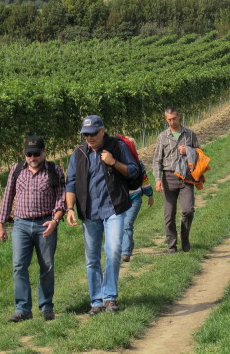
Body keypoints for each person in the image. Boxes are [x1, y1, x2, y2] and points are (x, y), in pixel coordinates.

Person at [65, 115, 138, 315]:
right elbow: (70, 182)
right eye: (85, 134)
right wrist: (70, 208)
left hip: (114, 209)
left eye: (93, 133)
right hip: (89, 212)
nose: (89, 137)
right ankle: (96, 301)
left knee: (114, 250)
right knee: (92, 258)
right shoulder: (79, 153)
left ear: (103, 130)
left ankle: (110, 298)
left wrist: (113, 162)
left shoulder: (118, 146)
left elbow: (134, 171)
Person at [0, 135, 66, 323]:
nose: (32, 158)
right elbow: (7, 196)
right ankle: (22, 309)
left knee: (47, 266)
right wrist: (1, 223)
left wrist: (55, 220)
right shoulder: (16, 170)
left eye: (36, 154)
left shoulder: (54, 170)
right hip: (21, 224)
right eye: (29, 154)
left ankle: (46, 307)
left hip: (45, 223)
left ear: (44, 152)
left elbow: (61, 198)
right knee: (19, 265)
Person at [152, 107, 200, 253]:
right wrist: (157, 179)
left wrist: (189, 151)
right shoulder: (162, 137)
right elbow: (156, 160)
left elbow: (199, 153)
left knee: (188, 210)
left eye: (174, 118)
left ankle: (185, 238)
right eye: (169, 119)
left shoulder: (190, 134)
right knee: (169, 214)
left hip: (186, 177)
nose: (172, 122)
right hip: (169, 177)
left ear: (179, 116)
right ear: (166, 119)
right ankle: (171, 245)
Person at [121, 138, 154, 263]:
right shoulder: (117, 164)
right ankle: (127, 245)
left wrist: (150, 195)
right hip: (120, 200)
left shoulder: (138, 164)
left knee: (127, 224)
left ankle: (126, 252)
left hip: (135, 198)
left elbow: (144, 180)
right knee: (121, 226)